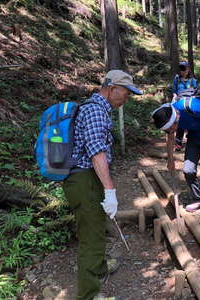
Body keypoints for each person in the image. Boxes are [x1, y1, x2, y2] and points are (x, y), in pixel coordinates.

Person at [62, 70, 142, 300]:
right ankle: (88, 295)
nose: (126, 99)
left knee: (94, 227)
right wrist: (110, 190)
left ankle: (98, 269)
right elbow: (96, 153)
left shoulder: (95, 108)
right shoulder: (95, 110)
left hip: (87, 179)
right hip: (84, 179)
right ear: (111, 87)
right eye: (125, 93)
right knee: (92, 237)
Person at [151, 90, 200, 228]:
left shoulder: (193, 107)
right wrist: (170, 159)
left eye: (171, 128)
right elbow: (170, 137)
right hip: (195, 136)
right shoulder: (169, 115)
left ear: (176, 118)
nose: (171, 131)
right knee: (188, 169)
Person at [172, 61, 197, 152]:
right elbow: (174, 91)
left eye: (184, 69)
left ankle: (192, 142)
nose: (183, 71)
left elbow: (195, 91)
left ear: (188, 69)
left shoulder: (192, 80)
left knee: (191, 120)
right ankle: (178, 143)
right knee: (180, 121)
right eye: (181, 69)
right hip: (179, 101)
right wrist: (175, 96)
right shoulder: (177, 79)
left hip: (189, 102)